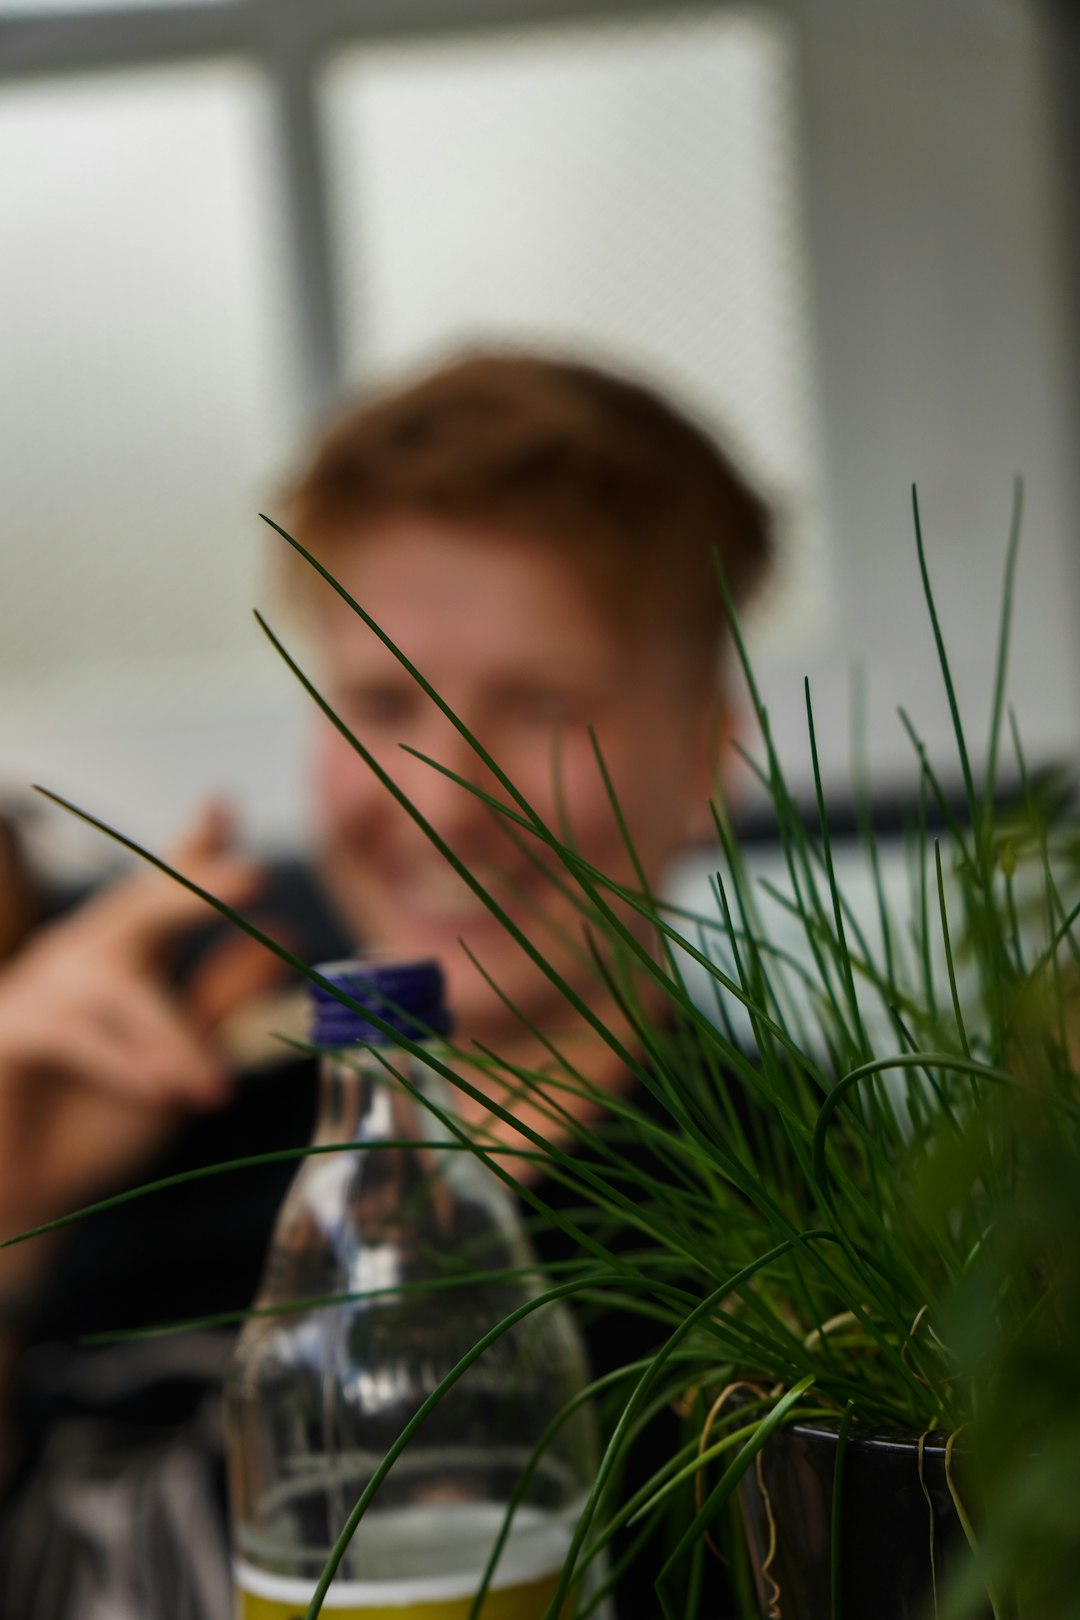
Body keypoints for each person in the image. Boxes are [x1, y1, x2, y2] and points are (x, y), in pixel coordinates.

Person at [0, 351, 772, 1618]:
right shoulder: (143, 1134)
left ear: (704, 756)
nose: (442, 797)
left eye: (542, 704)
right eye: (379, 700)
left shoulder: (818, 1263)